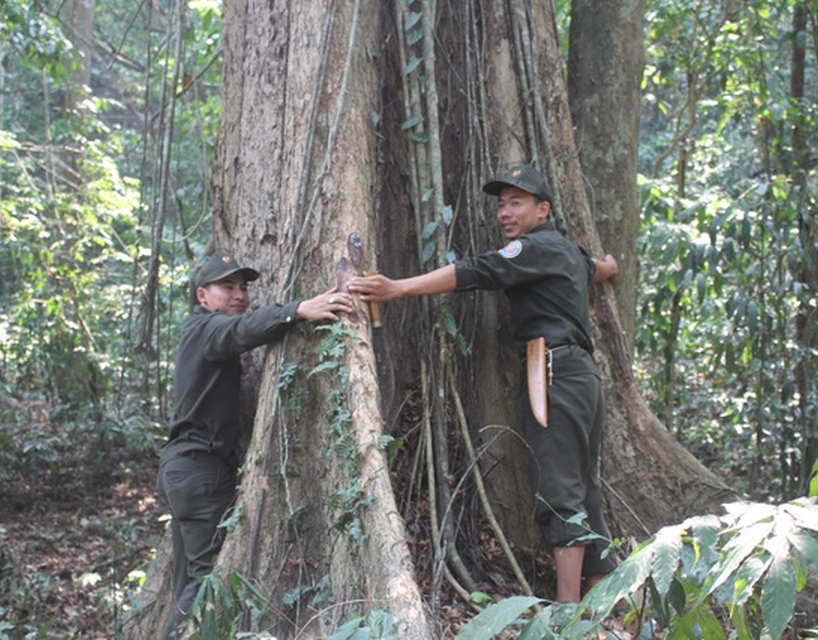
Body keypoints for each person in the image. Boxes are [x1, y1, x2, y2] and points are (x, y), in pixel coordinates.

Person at [348, 164, 618, 603]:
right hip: (583, 376)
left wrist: (398, 288)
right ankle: (603, 606)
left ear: (543, 209)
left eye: (516, 203)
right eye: (500, 205)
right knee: (585, 488)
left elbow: (474, 272)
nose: (504, 213)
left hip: (552, 374)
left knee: (560, 490)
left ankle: (570, 614)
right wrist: (610, 265)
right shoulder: (567, 252)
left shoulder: (530, 249)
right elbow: (596, 268)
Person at [158, 252, 353, 639]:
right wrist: (298, 309)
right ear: (202, 296)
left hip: (184, 472)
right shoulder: (207, 329)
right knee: (205, 584)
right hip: (199, 473)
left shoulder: (200, 331)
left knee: (189, 586)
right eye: (227, 287)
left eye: (243, 287)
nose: (239, 295)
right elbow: (240, 331)